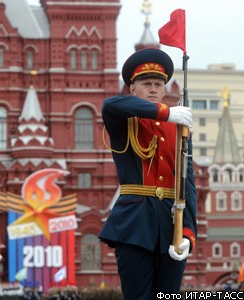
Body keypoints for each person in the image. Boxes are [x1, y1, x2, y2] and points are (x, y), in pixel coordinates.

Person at [98, 48, 197, 299]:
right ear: (133, 89)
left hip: (170, 225)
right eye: (146, 83)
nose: (153, 89)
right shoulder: (124, 120)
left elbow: (188, 185)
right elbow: (110, 104)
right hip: (135, 225)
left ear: (165, 89)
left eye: (158, 84)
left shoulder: (179, 128)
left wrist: (188, 233)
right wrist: (166, 112)